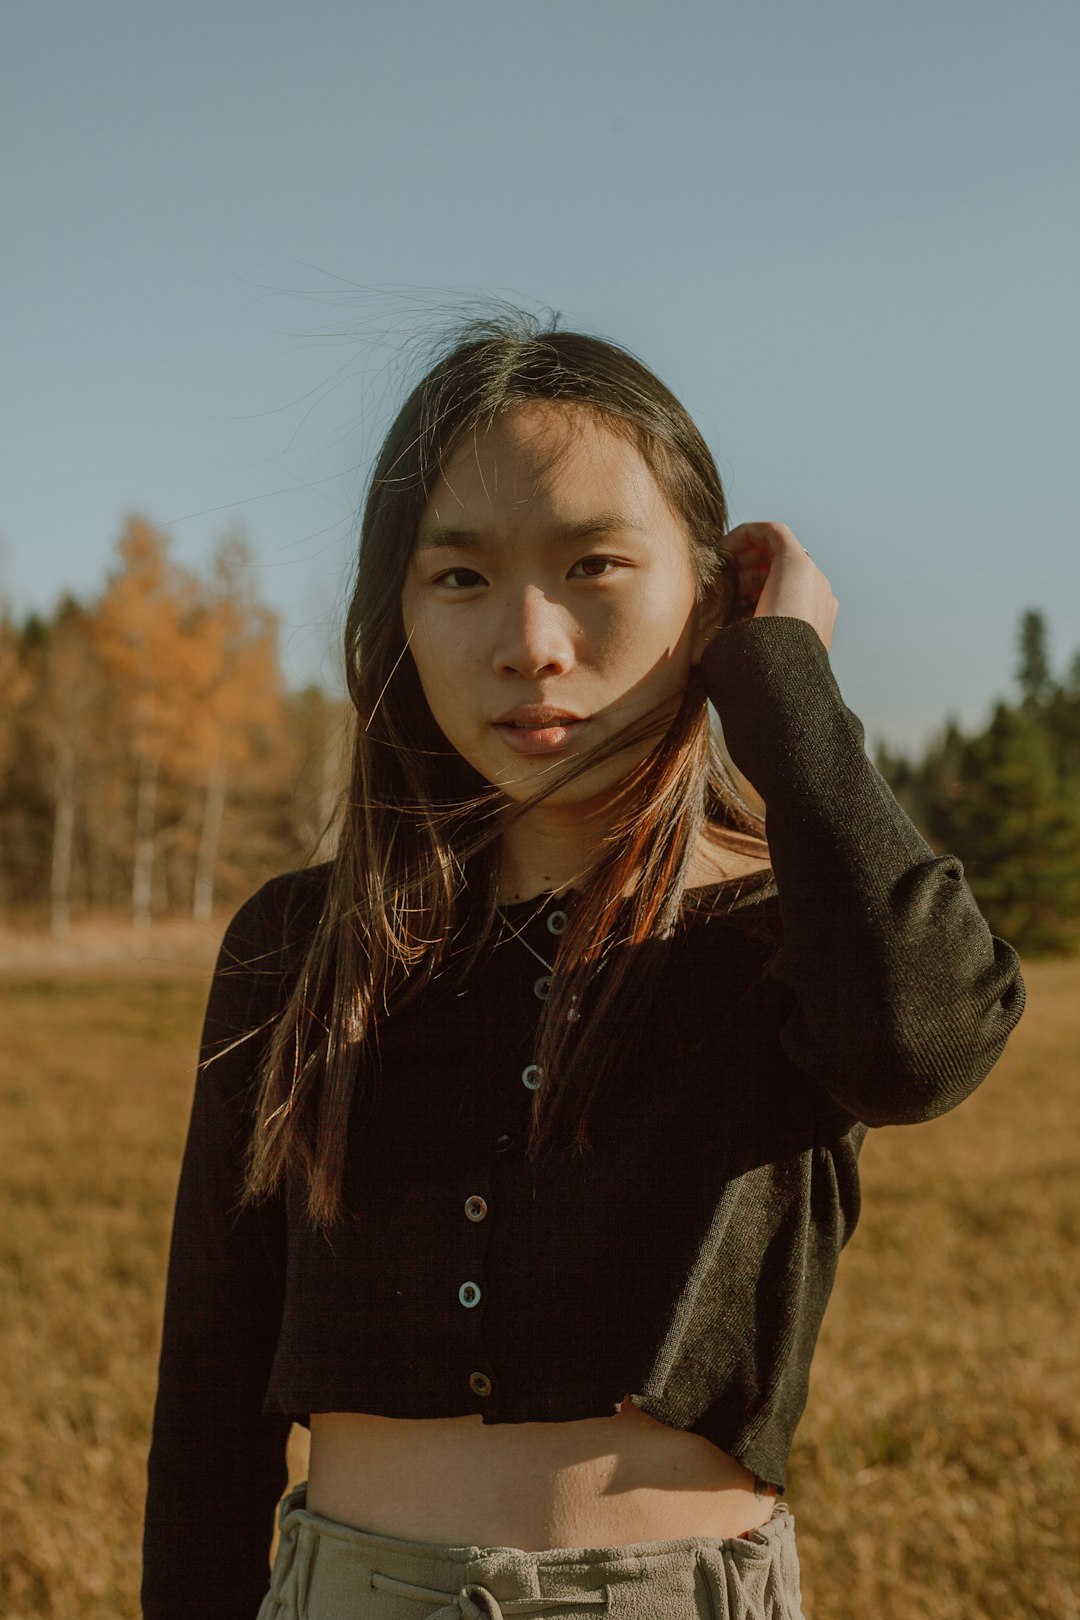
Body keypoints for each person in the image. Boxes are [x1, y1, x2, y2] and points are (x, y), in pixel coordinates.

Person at [141, 315, 1026, 1620]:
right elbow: (210, 1396)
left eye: (596, 564)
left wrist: (782, 680)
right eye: (459, 579)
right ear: (394, 611)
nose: (531, 641)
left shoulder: (788, 931)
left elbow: (924, 1041)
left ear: (714, 592)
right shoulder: (301, 944)